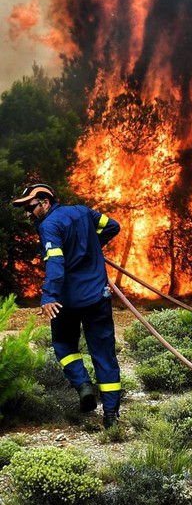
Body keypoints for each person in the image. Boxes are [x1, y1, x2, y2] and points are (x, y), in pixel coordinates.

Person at [13, 182, 123, 428]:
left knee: (63, 345)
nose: (28, 214)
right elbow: (112, 226)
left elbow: (55, 262)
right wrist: (91, 247)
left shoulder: (48, 225)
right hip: (97, 298)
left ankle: (83, 386)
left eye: (31, 208)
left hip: (67, 302)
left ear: (46, 203)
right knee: (104, 354)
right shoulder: (84, 212)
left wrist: (49, 296)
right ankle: (111, 415)